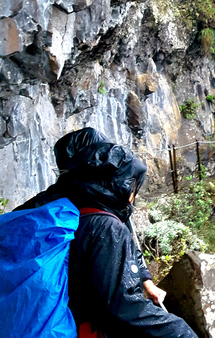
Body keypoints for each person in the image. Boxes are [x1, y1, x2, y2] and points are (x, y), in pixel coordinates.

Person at [34, 141, 206, 338]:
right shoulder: (105, 226)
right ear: (115, 183)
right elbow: (123, 306)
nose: (132, 197)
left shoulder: (58, 210)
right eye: (131, 187)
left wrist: (145, 278)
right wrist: (184, 333)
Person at [15, 128, 167, 304]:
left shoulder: (107, 202)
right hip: (64, 301)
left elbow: (128, 245)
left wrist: (148, 283)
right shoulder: (46, 205)